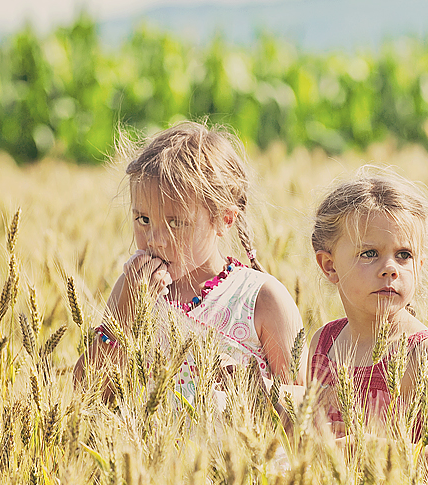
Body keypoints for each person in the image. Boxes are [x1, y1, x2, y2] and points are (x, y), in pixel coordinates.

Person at [73, 122, 303, 408]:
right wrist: (127, 313)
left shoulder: (263, 300)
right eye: (143, 220)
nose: (155, 240)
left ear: (224, 219)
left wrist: (255, 391)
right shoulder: (131, 288)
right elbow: (86, 395)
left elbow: (305, 410)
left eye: (176, 223)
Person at [308, 169, 428, 478]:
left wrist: (374, 452)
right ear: (329, 265)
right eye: (370, 253)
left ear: (420, 265)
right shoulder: (323, 344)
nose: (390, 268)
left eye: (404, 255)